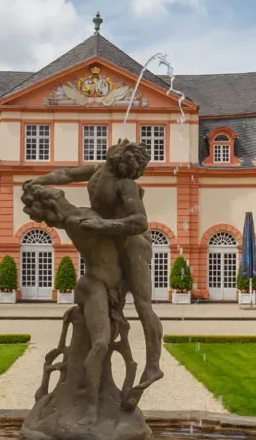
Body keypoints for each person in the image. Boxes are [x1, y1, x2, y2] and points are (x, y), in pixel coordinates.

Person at [24, 140, 163, 394]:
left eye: (121, 148)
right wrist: (38, 181)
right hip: (112, 242)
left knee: (143, 304)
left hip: (133, 245)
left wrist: (101, 226)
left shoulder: (125, 184)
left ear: (122, 159)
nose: (116, 145)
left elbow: (140, 221)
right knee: (112, 306)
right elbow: (66, 174)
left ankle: (153, 365)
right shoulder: (99, 170)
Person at [21, 180, 133, 415]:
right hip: (93, 286)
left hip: (111, 288)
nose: (51, 222)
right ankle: (90, 405)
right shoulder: (77, 222)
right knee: (102, 342)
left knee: (105, 341)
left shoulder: (84, 213)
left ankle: (97, 393)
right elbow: (127, 226)